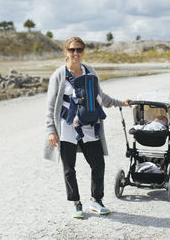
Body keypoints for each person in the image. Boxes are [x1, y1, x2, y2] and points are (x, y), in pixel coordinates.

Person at [44, 36, 130, 219]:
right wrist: (51, 130)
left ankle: (96, 200)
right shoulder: (59, 75)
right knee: (69, 168)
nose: (76, 53)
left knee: (98, 164)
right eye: (72, 50)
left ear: (83, 51)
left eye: (79, 49)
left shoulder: (90, 71)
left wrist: (120, 102)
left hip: (90, 125)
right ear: (65, 52)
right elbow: (50, 106)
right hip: (67, 127)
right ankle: (76, 203)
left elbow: (101, 97)